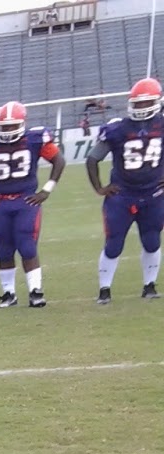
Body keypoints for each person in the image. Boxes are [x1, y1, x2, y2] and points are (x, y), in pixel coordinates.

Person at [0, 102, 64, 308]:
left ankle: (36, 291)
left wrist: (46, 190)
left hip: (25, 200)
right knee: (3, 250)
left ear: (22, 124)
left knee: (27, 246)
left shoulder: (35, 140)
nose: (7, 130)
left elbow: (59, 160)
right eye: (4, 126)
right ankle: (9, 294)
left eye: (11, 126)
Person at [87, 76, 164, 303]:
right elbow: (92, 159)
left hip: (154, 195)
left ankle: (149, 285)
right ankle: (104, 290)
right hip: (122, 195)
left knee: (152, 241)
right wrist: (100, 188)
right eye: (136, 102)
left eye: (144, 103)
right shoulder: (118, 128)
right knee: (113, 244)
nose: (140, 107)